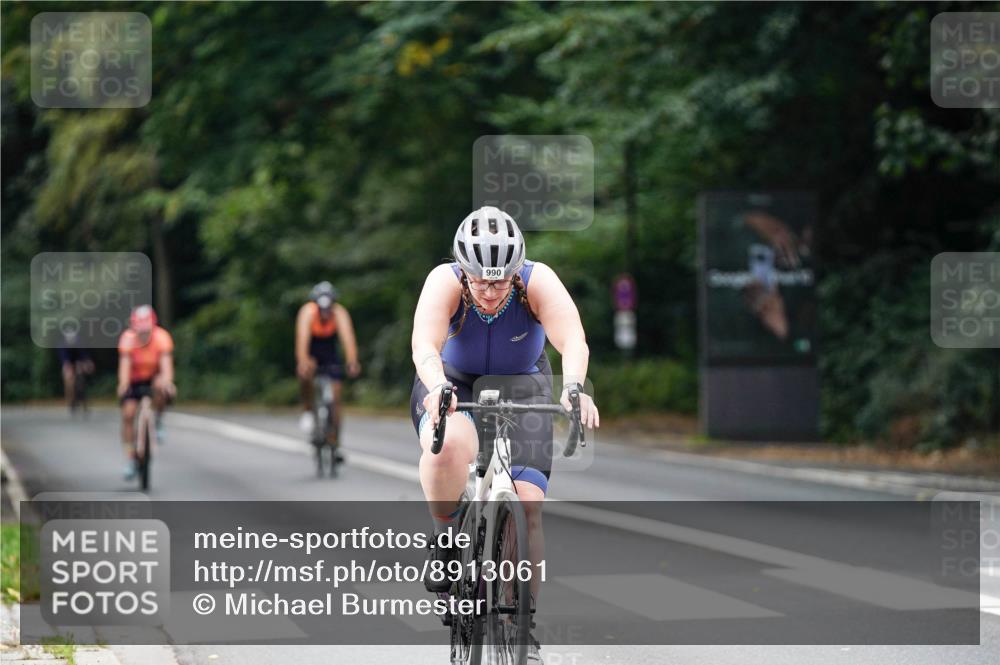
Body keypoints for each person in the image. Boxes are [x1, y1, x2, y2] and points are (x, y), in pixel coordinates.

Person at [410, 206, 599, 664]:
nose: (491, 292)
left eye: (500, 281)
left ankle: (522, 619)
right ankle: (445, 537)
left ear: (516, 272)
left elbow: (572, 338)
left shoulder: (537, 281)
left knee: (529, 500)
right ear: (464, 271)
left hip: (523, 383)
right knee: (448, 448)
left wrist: (574, 387)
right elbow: (424, 343)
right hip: (452, 381)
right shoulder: (445, 282)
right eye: (480, 281)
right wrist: (437, 388)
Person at [295, 282, 361, 451]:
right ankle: (308, 410)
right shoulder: (307, 312)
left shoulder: (339, 313)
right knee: (305, 374)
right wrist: (303, 362)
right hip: (312, 351)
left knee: (336, 398)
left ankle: (335, 440)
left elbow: (348, 339)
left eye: (328, 308)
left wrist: (352, 361)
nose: (325, 313)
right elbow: (302, 340)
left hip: (330, 353)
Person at [117, 305, 175, 480]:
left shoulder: (162, 338)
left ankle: (157, 420)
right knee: (128, 415)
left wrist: (168, 383)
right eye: (140, 330)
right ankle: (130, 457)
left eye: (146, 330)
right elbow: (125, 365)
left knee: (162, 386)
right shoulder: (127, 339)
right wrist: (123, 384)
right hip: (134, 379)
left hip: (153, 377)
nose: (143, 334)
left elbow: (166, 366)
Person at [57, 329, 94, 412]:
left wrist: (88, 364)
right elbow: (65, 361)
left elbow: (84, 356)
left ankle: (83, 400)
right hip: (68, 361)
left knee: (81, 380)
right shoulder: (62, 345)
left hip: (78, 361)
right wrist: (68, 370)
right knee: (68, 380)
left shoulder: (79, 343)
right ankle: (70, 401)